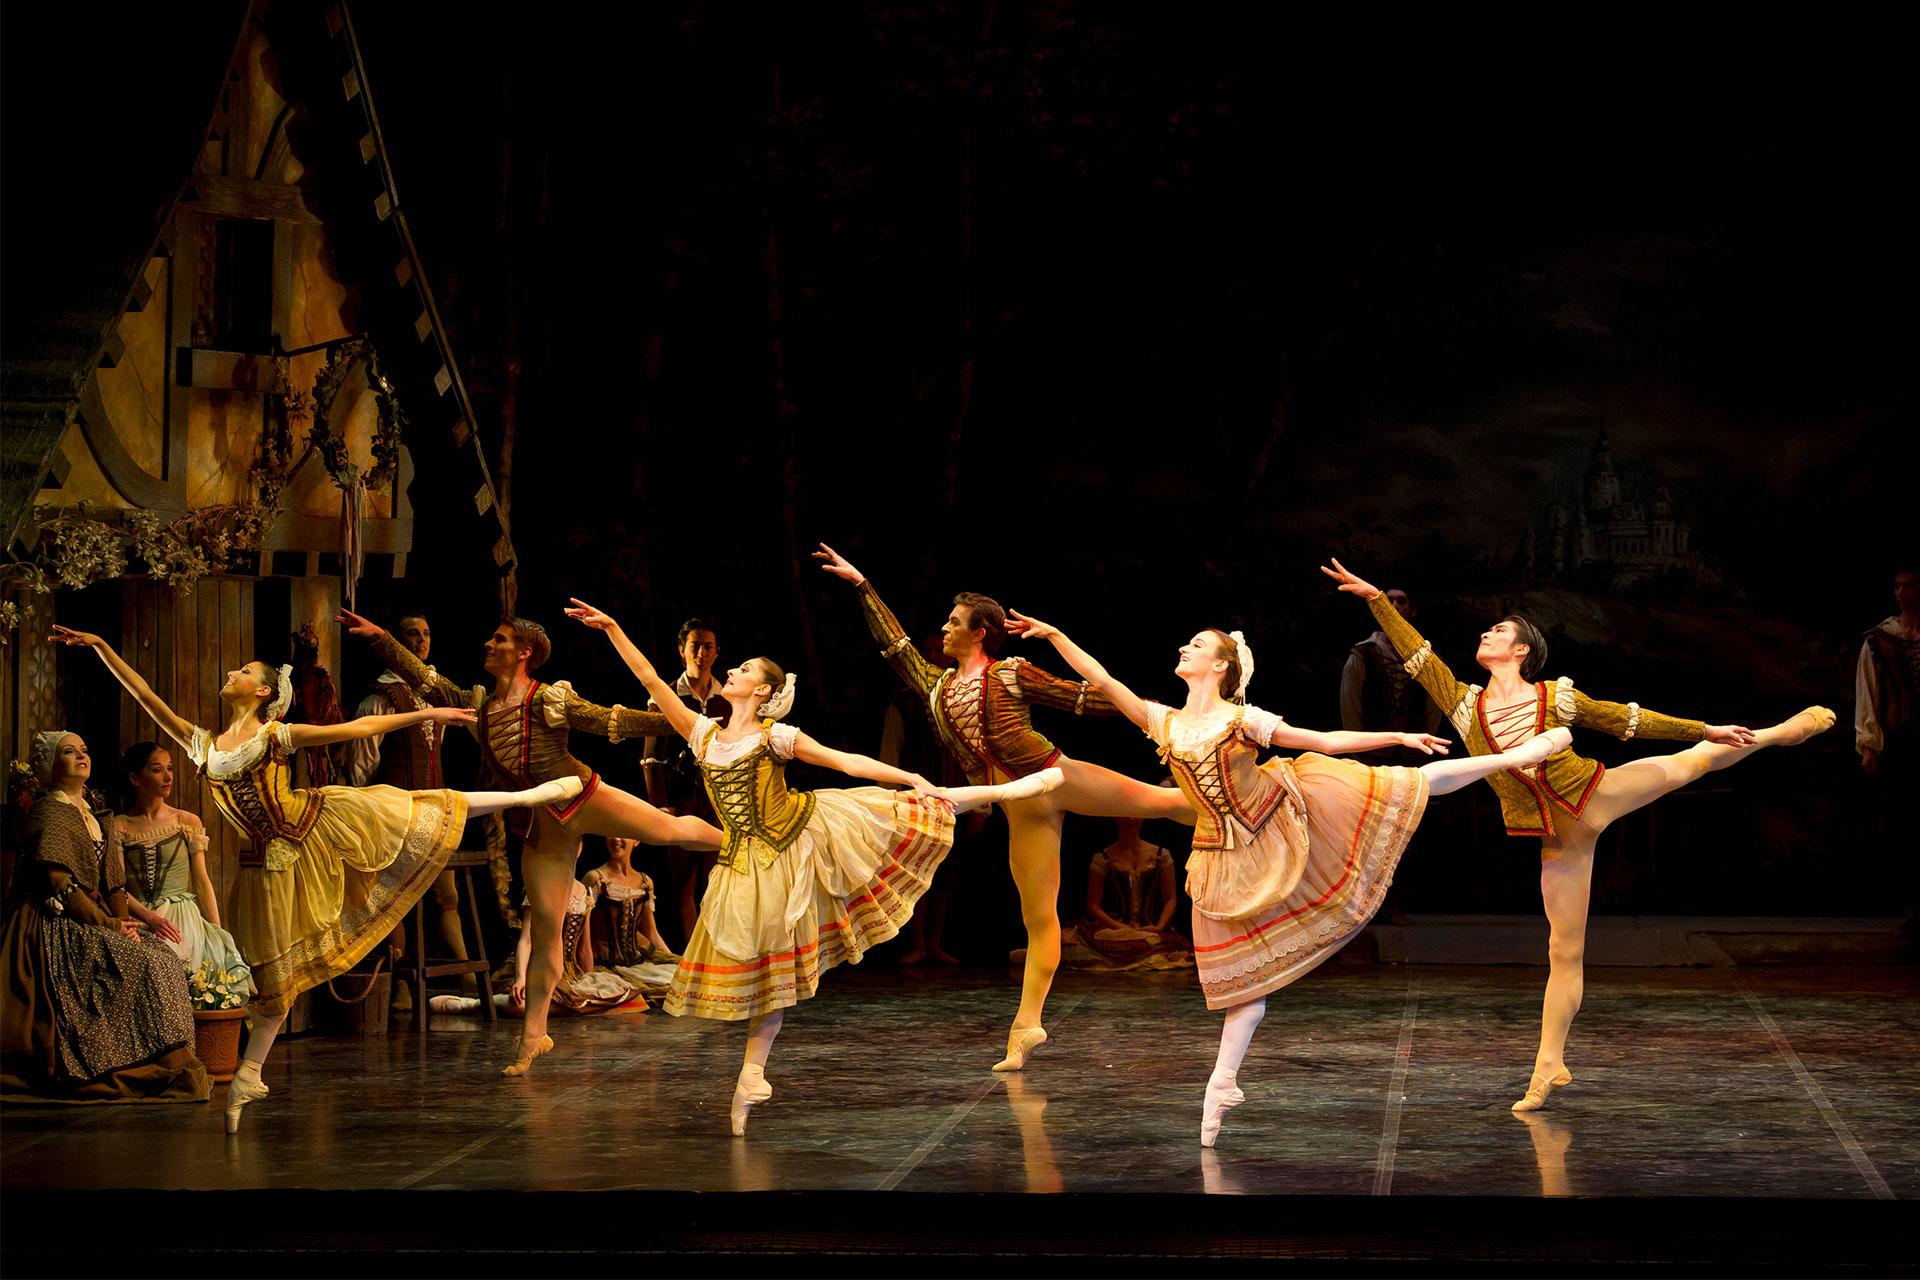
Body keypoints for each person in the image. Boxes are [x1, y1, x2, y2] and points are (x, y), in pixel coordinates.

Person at [1008, 608, 1571, 1146]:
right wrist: (1055, 634)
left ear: (1221, 667)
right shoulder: (1166, 721)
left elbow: (1323, 741)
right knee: (1241, 980)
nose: (1185, 648)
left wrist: (1394, 737)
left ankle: (1513, 758)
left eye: (1197, 645)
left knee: (1409, 783)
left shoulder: (1242, 720)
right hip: (1224, 855)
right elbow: (1102, 679)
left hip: (1285, 819)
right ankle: (1222, 1083)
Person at [1323, 557, 1834, 1111]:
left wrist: (1704, 727)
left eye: (1498, 631)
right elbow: (1419, 659)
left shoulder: (1555, 698)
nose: (1485, 633)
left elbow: (1627, 720)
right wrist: (1376, 599)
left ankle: (1776, 732)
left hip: (1596, 793)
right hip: (1559, 838)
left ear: (1521, 650)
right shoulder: (1466, 705)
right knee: (1564, 951)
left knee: (1691, 763)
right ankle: (1549, 1066)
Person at [565, 597, 1061, 1134]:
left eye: (745, 670)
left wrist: (907, 777)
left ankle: (1010, 788)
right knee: (767, 974)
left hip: (797, 841)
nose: (731, 670)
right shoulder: (701, 732)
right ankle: (752, 1075)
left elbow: (844, 762)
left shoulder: (775, 736)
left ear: (761, 693)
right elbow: (651, 680)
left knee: (906, 816)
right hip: (741, 865)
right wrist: (613, 627)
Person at [50, 624, 573, 1131]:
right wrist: (99, 646)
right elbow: (146, 696)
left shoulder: (277, 735)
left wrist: (429, 711)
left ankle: (526, 796)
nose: (232, 671)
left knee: (414, 808)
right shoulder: (204, 744)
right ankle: (249, 1076)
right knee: (275, 983)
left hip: (310, 832)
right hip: (263, 869)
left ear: (260, 691)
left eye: (243, 670)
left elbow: (357, 729)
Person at [815, 543, 1192, 1072]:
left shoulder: (1012, 672)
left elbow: (1084, 699)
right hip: (1018, 806)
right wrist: (862, 586)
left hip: (1055, 777)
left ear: (980, 632)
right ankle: (1026, 1028)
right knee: (1039, 919)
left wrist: (1169, 716)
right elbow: (898, 648)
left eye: (953, 622)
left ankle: (1252, 812)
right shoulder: (940, 685)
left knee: (1166, 803)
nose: (943, 629)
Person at [335, 607, 722, 1078]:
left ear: (523, 654)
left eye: (499, 640)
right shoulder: (478, 702)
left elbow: (607, 723)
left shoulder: (547, 699)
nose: (488, 645)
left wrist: (684, 725)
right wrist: (378, 636)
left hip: (580, 795)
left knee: (672, 832)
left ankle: (738, 841)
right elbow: (429, 681)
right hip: (543, 824)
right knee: (546, 929)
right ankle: (534, 1034)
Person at [0, 731, 211, 1103]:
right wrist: (109, 925)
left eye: (84, 749)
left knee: (160, 956)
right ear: (51, 765)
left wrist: (125, 924)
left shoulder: (95, 815)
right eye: (69, 752)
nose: (81, 756)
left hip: (93, 916)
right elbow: (60, 883)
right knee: (139, 961)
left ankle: (169, 1059)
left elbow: (113, 885)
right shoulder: (49, 811)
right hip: (55, 922)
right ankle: (119, 1060)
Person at [344, 611, 476, 1000]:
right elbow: (361, 765)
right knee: (395, 898)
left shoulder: (437, 694)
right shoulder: (380, 699)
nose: (421, 641)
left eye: (426, 633)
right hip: (395, 813)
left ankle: (469, 981)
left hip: (436, 809)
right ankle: (398, 988)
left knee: (445, 897)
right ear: (397, 643)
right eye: (412, 635)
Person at [107, 741, 253, 999]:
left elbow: (202, 881)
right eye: (157, 770)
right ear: (135, 778)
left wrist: (216, 932)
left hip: (180, 916)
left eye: (170, 769)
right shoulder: (119, 825)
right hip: (137, 914)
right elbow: (117, 886)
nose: (167, 776)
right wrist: (149, 919)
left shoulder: (185, 822)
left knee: (185, 974)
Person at [641, 618, 729, 948]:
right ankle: (692, 953)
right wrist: (661, 805)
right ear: (682, 650)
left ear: (717, 652)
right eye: (696, 646)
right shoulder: (666, 696)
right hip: (679, 799)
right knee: (683, 881)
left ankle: (717, 949)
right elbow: (651, 757)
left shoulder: (727, 698)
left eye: (708, 646)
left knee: (714, 877)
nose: (702, 653)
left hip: (717, 801)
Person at [1855, 566, 1920, 944]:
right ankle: (1913, 912)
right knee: (1903, 830)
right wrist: (1870, 744)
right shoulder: (1881, 640)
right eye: (1896, 585)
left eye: (1909, 585)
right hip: (1901, 742)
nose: (1901, 592)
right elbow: (1869, 691)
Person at [1340, 587, 1447, 766]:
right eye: (1389, 601)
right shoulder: (1364, 653)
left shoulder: (1426, 656)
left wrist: (1427, 740)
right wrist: (1356, 747)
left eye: (1401, 601)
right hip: (1371, 753)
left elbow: (1434, 707)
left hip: (1414, 755)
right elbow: (1350, 705)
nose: (1394, 605)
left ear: (1412, 609)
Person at [586, 836, 680, 999]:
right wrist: (585, 968)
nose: (616, 838)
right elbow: (582, 933)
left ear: (636, 841)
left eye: (623, 833)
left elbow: (652, 933)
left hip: (639, 961)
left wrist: (676, 963)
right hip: (605, 965)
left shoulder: (644, 882)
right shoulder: (596, 879)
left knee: (683, 981)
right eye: (611, 832)